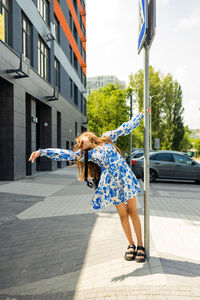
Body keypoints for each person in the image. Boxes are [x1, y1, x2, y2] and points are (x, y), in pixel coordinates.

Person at [29, 109, 151, 262]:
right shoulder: (87, 155)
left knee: (133, 211)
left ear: (89, 136)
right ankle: (131, 245)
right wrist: (43, 152)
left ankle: (140, 245)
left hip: (125, 177)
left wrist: (140, 115)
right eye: (79, 143)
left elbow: (124, 128)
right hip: (111, 184)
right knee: (123, 214)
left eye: (82, 138)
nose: (81, 142)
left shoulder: (107, 137)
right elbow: (66, 154)